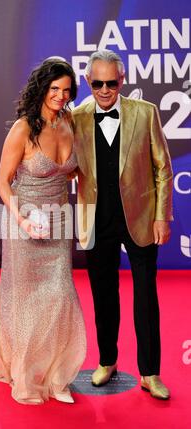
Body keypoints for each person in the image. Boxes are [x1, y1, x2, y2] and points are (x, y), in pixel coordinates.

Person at [0, 59, 86, 405]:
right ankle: (23, 374)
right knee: (24, 301)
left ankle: (56, 377)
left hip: (59, 220)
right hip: (24, 223)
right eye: (55, 89)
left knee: (59, 296)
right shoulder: (23, 128)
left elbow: (69, 172)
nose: (61, 96)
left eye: (67, 90)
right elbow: (1, 182)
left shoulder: (69, 121)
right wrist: (23, 220)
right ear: (42, 88)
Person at [72, 49, 173, 400]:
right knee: (103, 295)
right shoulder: (75, 117)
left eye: (111, 83)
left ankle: (150, 372)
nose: (104, 90)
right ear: (87, 81)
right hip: (95, 219)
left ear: (122, 80)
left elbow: (163, 167)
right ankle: (107, 360)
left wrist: (162, 215)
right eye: (97, 83)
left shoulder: (145, 113)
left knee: (146, 296)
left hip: (141, 218)